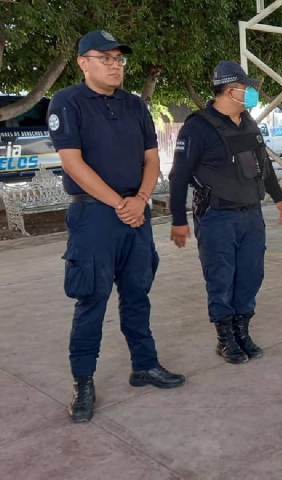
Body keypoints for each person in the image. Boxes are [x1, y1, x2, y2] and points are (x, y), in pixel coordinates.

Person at [47, 30, 185, 423]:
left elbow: (152, 159)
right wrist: (119, 204)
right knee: (91, 299)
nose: (114, 65)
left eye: (119, 59)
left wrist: (139, 201)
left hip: (134, 215)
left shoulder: (136, 106)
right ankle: (83, 382)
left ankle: (145, 365)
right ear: (82, 63)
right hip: (94, 217)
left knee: (138, 294)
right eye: (104, 58)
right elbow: (73, 164)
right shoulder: (68, 102)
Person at [169, 61, 282, 364]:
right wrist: (179, 221)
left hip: (251, 215)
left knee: (250, 275)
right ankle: (225, 338)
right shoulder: (199, 126)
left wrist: (279, 198)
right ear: (229, 90)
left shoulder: (248, 122)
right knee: (221, 277)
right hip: (218, 217)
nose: (250, 94)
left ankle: (242, 331)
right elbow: (178, 176)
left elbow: (264, 168)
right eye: (246, 89)